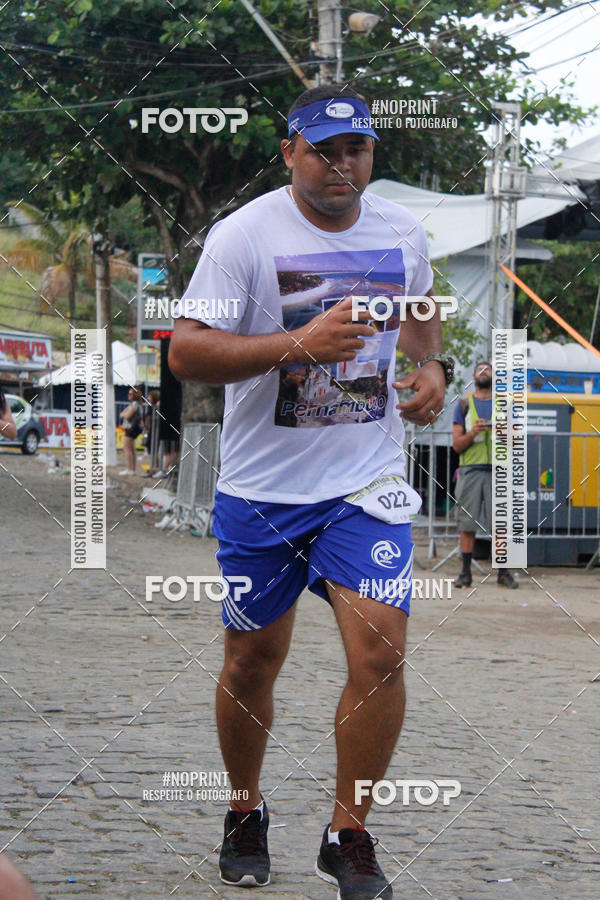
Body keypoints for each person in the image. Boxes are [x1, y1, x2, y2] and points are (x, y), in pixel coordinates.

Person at [169, 83, 454, 899]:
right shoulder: (242, 236)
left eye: (355, 149)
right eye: (323, 150)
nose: (340, 164)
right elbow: (186, 353)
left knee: (382, 650)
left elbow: (424, 305)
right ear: (289, 151)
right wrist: (299, 342)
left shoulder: (401, 228)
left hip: (364, 482)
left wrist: (429, 364)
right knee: (252, 660)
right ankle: (244, 809)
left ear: (373, 154)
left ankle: (349, 832)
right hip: (262, 490)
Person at [452, 361, 518, 589]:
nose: (483, 372)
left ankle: (503, 573)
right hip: (471, 470)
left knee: (500, 524)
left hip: (498, 470)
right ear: (474, 376)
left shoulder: (505, 405)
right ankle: (465, 573)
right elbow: (457, 445)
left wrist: (501, 431)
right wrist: (473, 432)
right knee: (467, 524)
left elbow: (514, 441)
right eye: (479, 370)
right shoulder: (463, 404)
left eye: (487, 370)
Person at [119, 386, 143, 475]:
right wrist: (124, 414)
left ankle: (130, 469)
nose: (128, 395)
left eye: (130, 394)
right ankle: (132, 469)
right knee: (131, 449)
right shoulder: (136, 404)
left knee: (127, 448)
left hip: (131, 428)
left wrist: (124, 414)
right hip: (133, 428)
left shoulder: (134, 404)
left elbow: (127, 415)